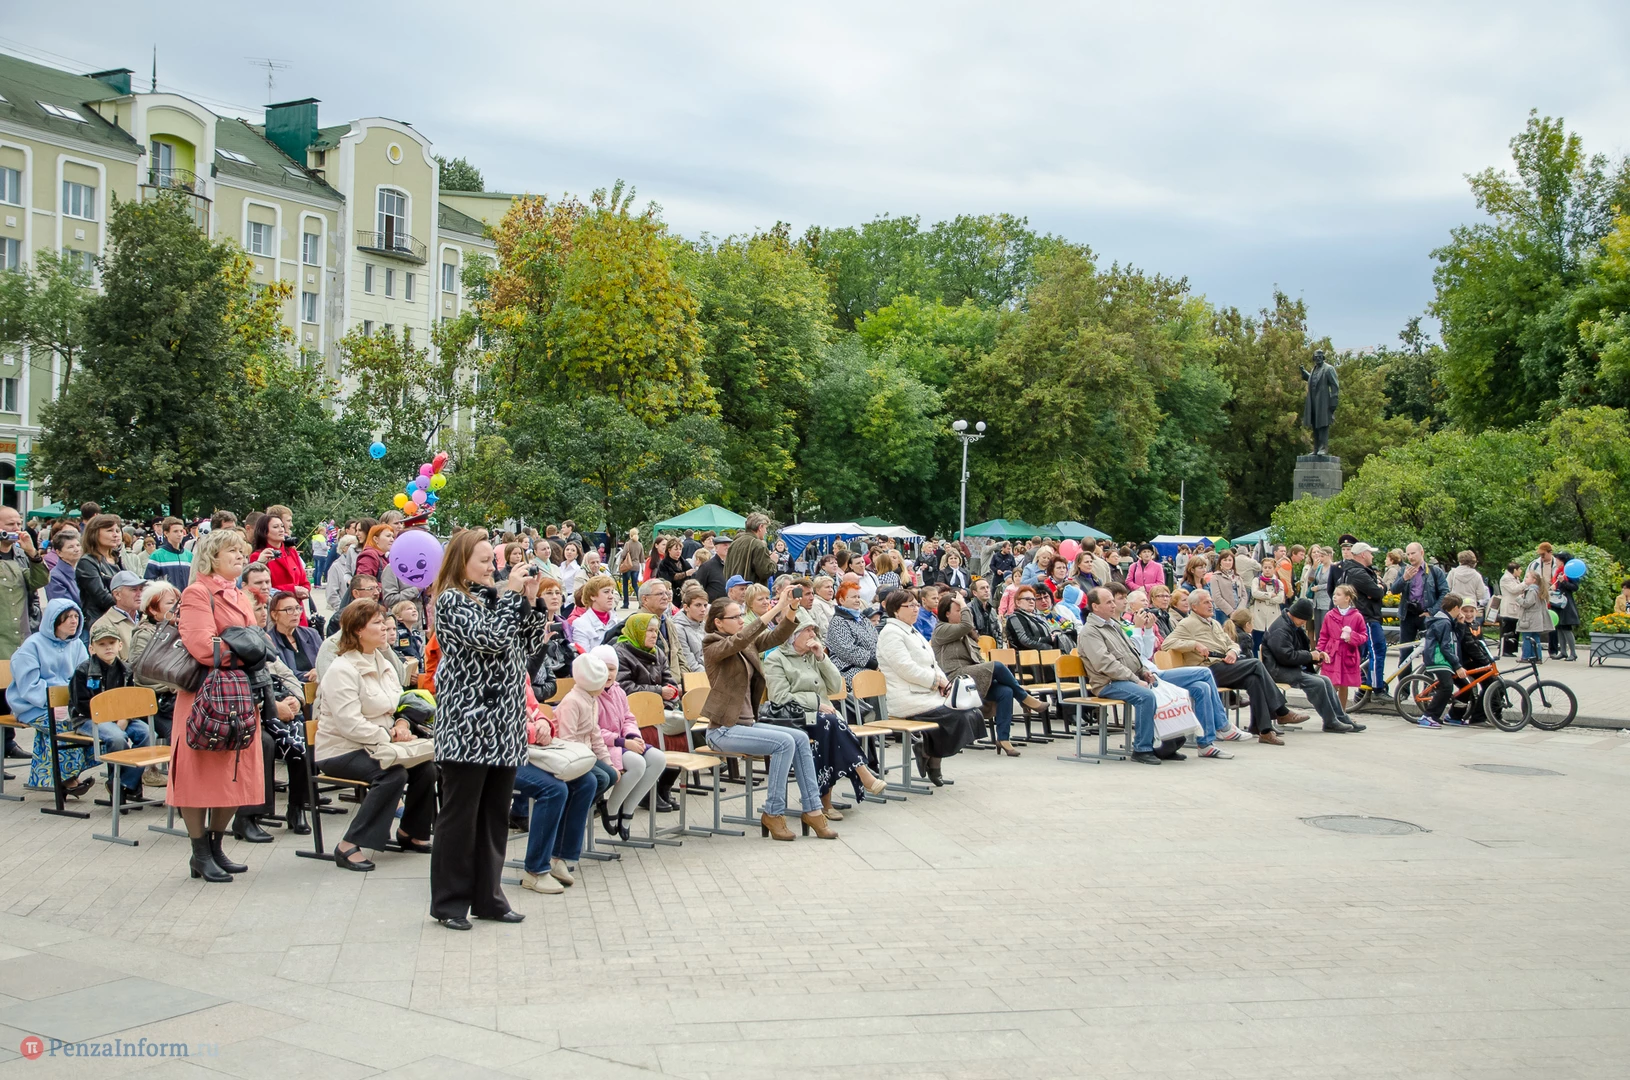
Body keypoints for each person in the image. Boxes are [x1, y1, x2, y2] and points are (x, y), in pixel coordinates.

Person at [428, 531, 549, 930]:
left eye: (491, 561)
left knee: (494, 817)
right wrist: (512, 596)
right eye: (483, 561)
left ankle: (488, 898)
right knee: (460, 819)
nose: (491, 568)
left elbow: (528, 646)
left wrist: (530, 601)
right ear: (460, 562)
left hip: (504, 727)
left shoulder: (494, 599)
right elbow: (492, 639)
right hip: (468, 726)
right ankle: (449, 904)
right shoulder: (452, 600)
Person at [166, 528, 266, 883]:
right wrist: (247, 650)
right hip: (205, 697)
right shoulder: (197, 593)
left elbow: (256, 640)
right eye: (231, 552)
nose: (240, 557)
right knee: (198, 775)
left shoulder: (240, 594)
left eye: (241, 551)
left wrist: (245, 647)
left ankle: (216, 845)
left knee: (236, 772)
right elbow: (203, 647)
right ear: (212, 557)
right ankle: (200, 852)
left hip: (239, 694)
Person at [701, 590, 834, 840]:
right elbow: (740, 639)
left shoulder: (744, 643)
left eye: (742, 615)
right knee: (784, 743)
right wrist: (777, 606)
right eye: (735, 617)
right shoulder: (712, 645)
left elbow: (777, 636)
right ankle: (773, 812)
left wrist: (790, 608)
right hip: (722, 730)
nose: (741, 620)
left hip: (746, 726)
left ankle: (813, 810)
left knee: (799, 738)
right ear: (718, 622)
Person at [314, 600, 436, 871]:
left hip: (379, 743)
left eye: (384, 622)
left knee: (425, 768)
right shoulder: (342, 669)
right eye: (378, 623)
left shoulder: (383, 662)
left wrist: (402, 724)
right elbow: (349, 724)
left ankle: (410, 832)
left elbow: (399, 702)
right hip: (341, 750)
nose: (385, 628)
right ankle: (348, 844)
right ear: (358, 629)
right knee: (393, 775)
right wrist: (389, 736)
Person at [763, 612, 887, 817]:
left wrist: (822, 658)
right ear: (793, 634)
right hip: (792, 717)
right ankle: (861, 774)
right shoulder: (776, 659)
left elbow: (836, 686)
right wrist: (816, 703)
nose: (813, 634)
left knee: (828, 730)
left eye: (813, 630)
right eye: (808, 630)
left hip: (823, 718)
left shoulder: (813, 656)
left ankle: (824, 802)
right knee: (830, 724)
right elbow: (779, 696)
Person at [1163, 589, 1308, 744]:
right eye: (1206, 602)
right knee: (1256, 664)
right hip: (1207, 669)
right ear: (1194, 606)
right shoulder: (1187, 624)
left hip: (1223, 666)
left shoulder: (1214, 623)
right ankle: (1281, 711)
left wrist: (1232, 651)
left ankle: (1263, 730)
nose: (1211, 605)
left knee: (1254, 680)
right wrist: (1194, 644)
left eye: (1211, 601)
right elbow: (1166, 643)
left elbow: (1232, 643)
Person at [875, 590, 979, 786]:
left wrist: (945, 683)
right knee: (956, 716)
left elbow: (933, 663)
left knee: (970, 712)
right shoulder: (890, 633)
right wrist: (936, 681)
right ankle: (928, 753)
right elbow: (906, 668)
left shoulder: (911, 630)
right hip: (907, 697)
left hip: (926, 693)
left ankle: (930, 754)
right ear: (896, 611)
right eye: (910, 606)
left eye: (916, 605)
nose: (916, 609)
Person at [511, 679, 598, 895]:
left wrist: (543, 723)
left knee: (586, 782)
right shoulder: (493, 671)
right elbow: (499, 722)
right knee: (554, 790)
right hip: (502, 756)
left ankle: (559, 857)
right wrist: (534, 731)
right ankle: (535, 871)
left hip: (531, 750)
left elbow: (534, 707)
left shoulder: (519, 671)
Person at [932, 591, 1044, 756]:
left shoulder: (965, 635)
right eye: (959, 610)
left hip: (972, 676)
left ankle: (1003, 738)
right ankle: (1024, 697)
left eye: (962, 609)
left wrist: (988, 675)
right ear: (947, 614)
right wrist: (964, 604)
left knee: (1005, 691)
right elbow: (967, 625)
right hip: (955, 678)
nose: (963, 612)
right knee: (997, 666)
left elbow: (976, 657)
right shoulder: (941, 630)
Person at [585, 643, 668, 837]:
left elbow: (628, 718)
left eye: (612, 669)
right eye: (603, 669)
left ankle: (628, 808)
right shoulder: (590, 694)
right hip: (602, 747)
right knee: (638, 763)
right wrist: (622, 742)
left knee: (658, 759)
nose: (608, 674)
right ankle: (611, 808)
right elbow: (592, 730)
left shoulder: (618, 691)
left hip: (623, 741)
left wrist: (633, 737)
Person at [1076, 588, 1163, 765]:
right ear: (1095, 606)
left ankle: (1168, 744)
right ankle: (1142, 749)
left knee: (1161, 687)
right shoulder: (1090, 631)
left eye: (1113, 601)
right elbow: (1105, 664)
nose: (1113, 605)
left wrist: (1142, 671)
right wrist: (1135, 679)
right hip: (1107, 683)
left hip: (1125, 678)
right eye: (1108, 602)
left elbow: (1132, 653)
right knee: (1145, 696)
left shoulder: (1113, 624)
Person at [15, 599, 93, 796]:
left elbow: (83, 678)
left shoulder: (77, 645)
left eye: (76, 616)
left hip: (67, 705)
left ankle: (50, 777)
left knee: (88, 723)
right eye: (68, 618)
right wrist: (51, 703)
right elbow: (28, 685)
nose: (74, 621)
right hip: (33, 706)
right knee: (64, 725)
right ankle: (68, 779)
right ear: (54, 620)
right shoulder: (32, 646)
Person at [611, 615, 682, 811]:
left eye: (656, 631)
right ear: (638, 631)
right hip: (635, 715)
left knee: (684, 734)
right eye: (649, 631)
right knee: (663, 731)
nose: (654, 635)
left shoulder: (657, 652)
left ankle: (664, 788)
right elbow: (624, 687)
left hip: (660, 710)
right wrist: (659, 692)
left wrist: (670, 700)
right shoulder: (621, 653)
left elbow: (670, 682)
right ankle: (647, 792)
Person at [1262, 599, 1363, 733]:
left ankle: (1341, 718)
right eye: (1304, 620)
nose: (1304, 623)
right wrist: (1310, 656)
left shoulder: (1291, 625)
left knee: (1325, 680)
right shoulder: (1281, 629)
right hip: (1278, 670)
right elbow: (1286, 656)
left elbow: (1296, 652)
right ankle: (1330, 722)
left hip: (1287, 667)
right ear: (1296, 615)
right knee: (1318, 683)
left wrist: (1316, 657)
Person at [128, 582, 180, 744]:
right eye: (170, 603)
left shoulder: (182, 631)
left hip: (177, 699)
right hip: (155, 703)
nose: (177, 607)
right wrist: (173, 685)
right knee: (177, 732)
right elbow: (141, 672)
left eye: (178, 602)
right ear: (153, 609)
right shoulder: (143, 635)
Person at [1415, 594, 1470, 728]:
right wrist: (1457, 666)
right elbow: (1446, 647)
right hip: (1438, 659)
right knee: (1447, 687)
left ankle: (1454, 716)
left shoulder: (1448, 621)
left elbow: (1456, 639)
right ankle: (1428, 716)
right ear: (1456, 608)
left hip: (1446, 660)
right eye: (1460, 608)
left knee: (1465, 687)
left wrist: (1460, 624)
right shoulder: (1443, 622)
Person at [249, 512, 311, 624]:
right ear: (265, 532)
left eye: (282, 526)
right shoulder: (258, 556)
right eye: (275, 527)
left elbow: (304, 581)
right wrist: (292, 589)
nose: (281, 529)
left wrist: (304, 590)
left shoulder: (292, 552)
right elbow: (259, 588)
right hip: (276, 612)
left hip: (298, 610)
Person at [1317, 585, 1369, 712]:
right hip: (1332, 654)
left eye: (1338, 594)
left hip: (1348, 654)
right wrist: (1319, 652)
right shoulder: (1329, 615)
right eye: (1334, 594)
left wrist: (1352, 637)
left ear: (1347, 598)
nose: (1334, 597)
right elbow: (1323, 636)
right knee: (1331, 684)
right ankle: (1330, 713)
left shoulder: (1357, 616)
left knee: (1344, 684)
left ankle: (1342, 713)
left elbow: (1364, 636)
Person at [1396, 542, 1447, 664]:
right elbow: (1394, 590)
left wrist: (1432, 611)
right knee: (1405, 651)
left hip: (1427, 615)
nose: (1410, 557)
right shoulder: (1404, 571)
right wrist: (1404, 578)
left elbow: (1445, 592)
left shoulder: (1435, 571)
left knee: (1428, 651)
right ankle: (1404, 677)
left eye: (1413, 553)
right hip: (1408, 615)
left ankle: (1428, 676)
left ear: (1422, 553)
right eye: (1408, 554)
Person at [825, 580, 880, 691]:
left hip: (873, 665)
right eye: (853, 597)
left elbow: (877, 641)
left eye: (858, 597)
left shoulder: (863, 619)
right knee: (877, 680)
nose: (857, 600)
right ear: (842, 600)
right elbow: (847, 650)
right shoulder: (838, 622)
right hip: (848, 670)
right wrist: (873, 664)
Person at [75, 513, 124, 630]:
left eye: (117, 531)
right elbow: (102, 598)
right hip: (100, 623)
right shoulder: (87, 562)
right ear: (94, 534)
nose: (115, 534)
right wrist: (129, 603)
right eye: (109, 530)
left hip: (120, 619)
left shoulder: (116, 558)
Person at [268, 590, 322, 680]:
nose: (296, 613)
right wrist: (312, 675)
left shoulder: (312, 634)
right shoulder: (269, 640)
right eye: (289, 609)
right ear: (274, 615)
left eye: (298, 608)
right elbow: (281, 673)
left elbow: (327, 660)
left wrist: (319, 671)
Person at [90, 570, 145, 657]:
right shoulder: (102, 625)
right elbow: (108, 663)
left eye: (141, 589)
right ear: (117, 595)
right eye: (134, 589)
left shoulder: (149, 619)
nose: (140, 594)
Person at [1005, 585, 1070, 652]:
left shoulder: (1036, 617)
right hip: (1027, 656)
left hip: (1046, 653)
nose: (1031, 601)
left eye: (1033, 599)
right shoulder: (1015, 617)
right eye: (1027, 599)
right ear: (1018, 602)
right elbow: (1025, 640)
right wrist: (1049, 643)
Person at [569, 574, 619, 654]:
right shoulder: (580, 624)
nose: (611, 596)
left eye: (612, 592)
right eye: (606, 592)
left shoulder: (617, 621)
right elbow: (585, 657)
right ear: (592, 596)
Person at [723, 513, 776, 586]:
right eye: (765, 528)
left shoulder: (734, 543)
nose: (766, 531)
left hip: (733, 589)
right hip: (750, 590)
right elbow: (765, 573)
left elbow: (726, 570)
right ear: (760, 527)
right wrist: (773, 561)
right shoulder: (758, 545)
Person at [144, 517, 194, 591]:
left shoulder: (189, 555)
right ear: (166, 533)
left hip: (187, 596)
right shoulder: (157, 555)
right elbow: (149, 582)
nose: (179, 534)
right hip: (167, 596)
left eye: (181, 531)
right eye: (175, 531)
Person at [1247, 564, 1285, 653]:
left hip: (1273, 615)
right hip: (1258, 615)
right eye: (1265, 567)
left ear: (1274, 569)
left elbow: (1280, 598)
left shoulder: (1278, 583)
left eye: (1270, 568)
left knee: (1272, 643)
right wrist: (1270, 595)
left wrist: (1265, 599)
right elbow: (1255, 593)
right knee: (1257, 643)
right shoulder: (1256, 580)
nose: (1267, 570)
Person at [1551, 550, 1581, 661]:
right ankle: (1563, 651)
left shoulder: (1569, 572)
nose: (1556, 562)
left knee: (1566, 627)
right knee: (1559, 627)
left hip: (1566, 603)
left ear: (1563, 561)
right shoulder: (1558, 572)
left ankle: (1573, 653)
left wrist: (1563, 581)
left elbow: (1575, 587)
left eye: (1558, 560)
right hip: (1557, 602)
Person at [1445, 551, 1490, 620]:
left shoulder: (1453, 573)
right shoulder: (1476, 575)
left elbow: (1447, 589)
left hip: (1456, 605)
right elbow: (1481, 594)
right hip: (1471, 605)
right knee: (1469, 624)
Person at [1206, 551, 1247, 624]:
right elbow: (1216, 597)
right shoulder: (1215, 577)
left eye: (1230, 560)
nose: (1227, 562)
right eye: (1225, 560)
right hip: (1223, 612)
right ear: (1220, 562)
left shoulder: (1237, 577)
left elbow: (1244, 595)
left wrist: (1239, 610)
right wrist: (1230, 612)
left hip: (1238, 612)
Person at [1516, 570, 1548, 662]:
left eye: (1527, 577)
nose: (1525, 579)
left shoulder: (1531, 590)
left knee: (1527, 637)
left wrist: (1519, 599)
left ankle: (1526, 656)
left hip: (1530, 618)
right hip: (1537, 618)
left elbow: (1527, 603)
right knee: (1535, 638)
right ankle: (1537, 657)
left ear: (1534, 580)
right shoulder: (1539, 590)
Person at [46, 528, 82, 608]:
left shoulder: (82, 570)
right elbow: (65, 607)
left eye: (78, 545)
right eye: (70, 547)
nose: (77, 549)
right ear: (59, 552)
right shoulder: (55, 577)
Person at [352, 525, 394, 592]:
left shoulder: (382, 556)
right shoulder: (369, 555)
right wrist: (390, 588)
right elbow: (364, 583)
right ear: (376, 539)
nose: (392, 539)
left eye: (393, 536)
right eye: (388, 536)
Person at [1498, 562, 1526, 655]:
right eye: (1519, 569)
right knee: (1508, 628)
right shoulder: (1506, 578)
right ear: (1515, 570)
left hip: (1515, 606)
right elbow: (1513, 589)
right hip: (1508, 607)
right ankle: (1505, 649)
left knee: (1514, 628)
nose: (1521, 571)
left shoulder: (1515, 578)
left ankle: (1511, 649)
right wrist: (1525, 583)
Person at [616, 528, 644, 608]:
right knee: (635, 585)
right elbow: (642, 558)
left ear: (630, 535)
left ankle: (626, 604)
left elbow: (623, 554)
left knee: (625, 585)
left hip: (627, 566)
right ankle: (641, 603)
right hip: (636, 567)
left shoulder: (628, 544)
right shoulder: (640, 544)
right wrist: (642, 568)